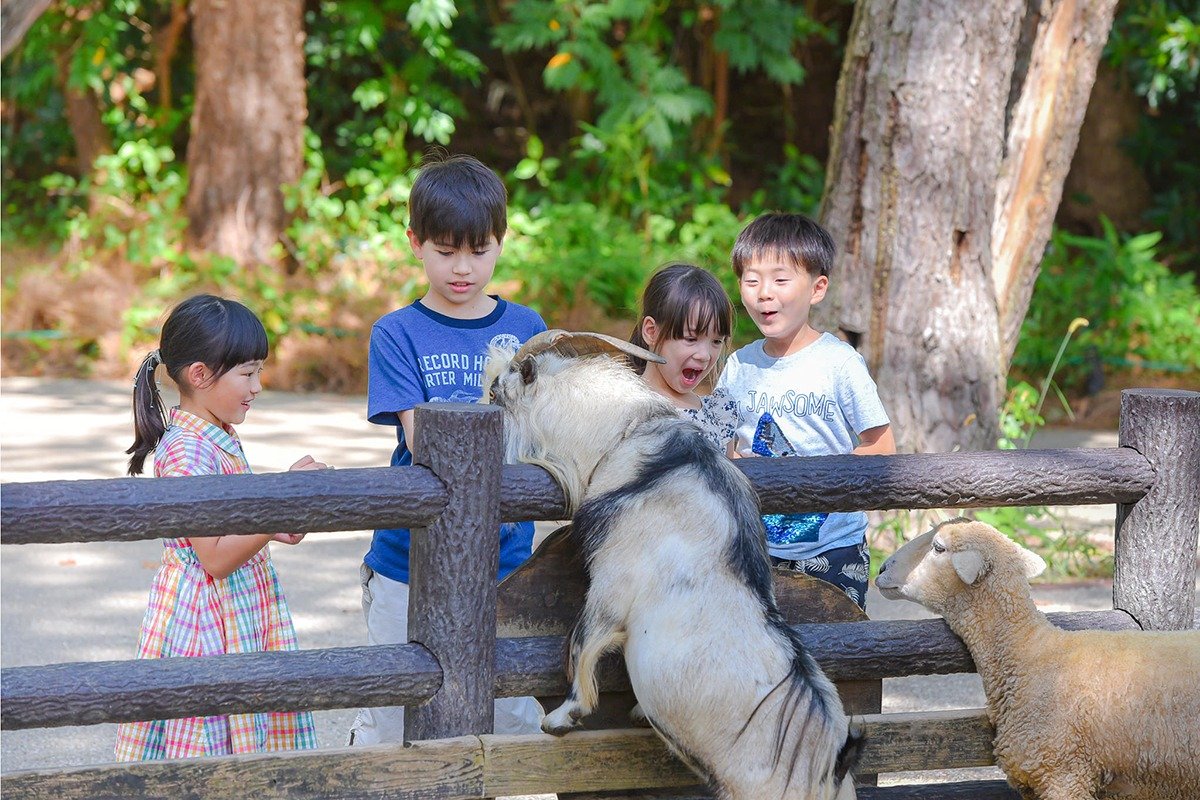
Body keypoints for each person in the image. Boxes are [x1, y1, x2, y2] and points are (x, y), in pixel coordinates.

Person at [352, 153, 547, 745]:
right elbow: (424, 442)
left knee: (511, 715)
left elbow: (538, 434)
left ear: (501, 243)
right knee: (395, 710)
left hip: (506, 556)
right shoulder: (397, 332)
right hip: (408, 558)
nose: (463, 267)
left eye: (479, 250)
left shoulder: (527, 326)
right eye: (445, 251)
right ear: (415, 243)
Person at [115, 294, 324, 760]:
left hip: (239, 605)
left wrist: (280, 523)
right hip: (205, 617)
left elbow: (239, 529)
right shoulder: (186, 451)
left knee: (241, 726)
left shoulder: (218, 433)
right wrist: (278, 502)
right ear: (200, 375)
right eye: (247, 373)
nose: (257, 386)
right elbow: (213, 557)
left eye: (258, 371)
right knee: (209, 735)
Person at [715, 213, 896, 609]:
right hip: (754, 545)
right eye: (751, 280)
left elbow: (881, 448)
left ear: (817, 289)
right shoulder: (737, 366)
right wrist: (737, 462)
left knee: (838, 653)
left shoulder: (839, 362)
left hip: (834, 547)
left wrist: (820, 477)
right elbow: (721, 445)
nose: (764, 293)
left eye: (781, 280)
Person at [629, 262, 739, 451]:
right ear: (651, 331)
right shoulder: (628, 410)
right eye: (690, 338)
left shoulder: (718, 412)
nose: (704, 356)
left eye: (717, 341)